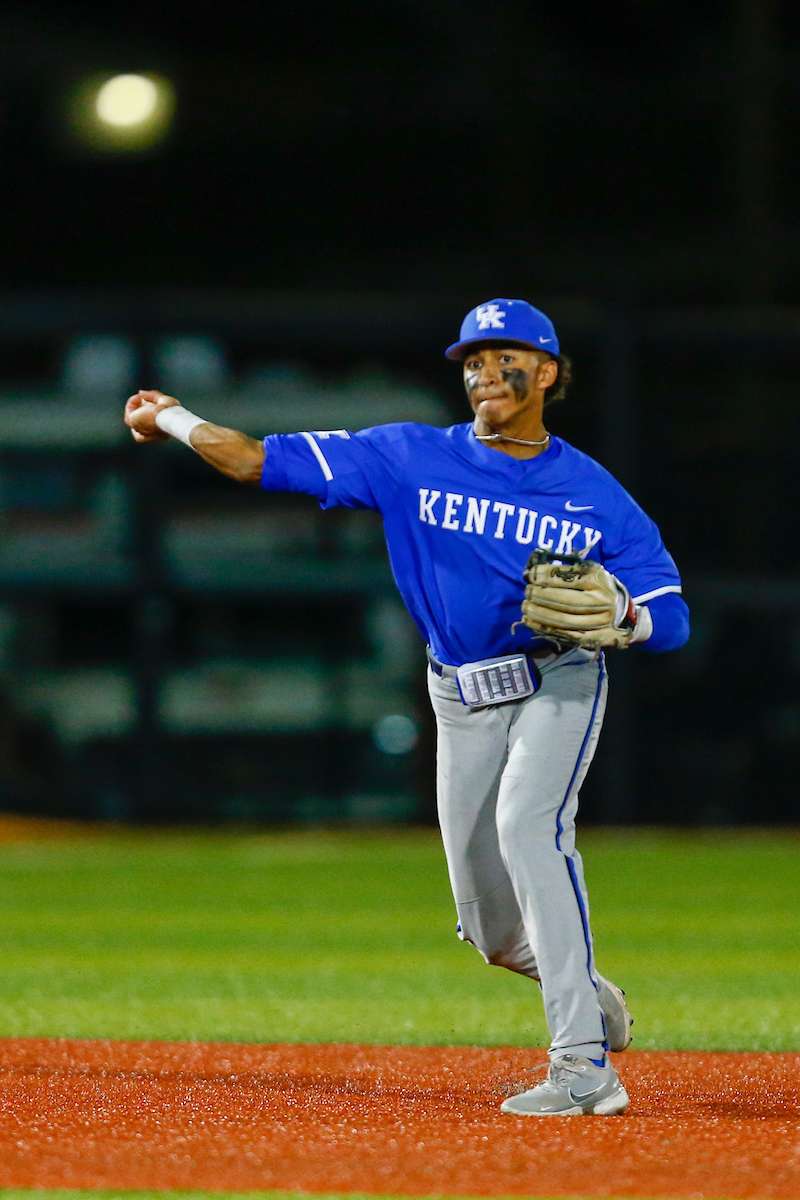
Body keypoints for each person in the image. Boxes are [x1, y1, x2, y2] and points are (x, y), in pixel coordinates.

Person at [124, 297, 689, 1117]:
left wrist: (628, 617)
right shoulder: (405, 454)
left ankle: (583, 1068)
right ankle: (590, 997)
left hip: (555, 680)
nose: (486, 370)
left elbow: (671, 614)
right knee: (492, 931)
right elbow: (253, 461)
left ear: (550, 373)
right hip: (458, 696)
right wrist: (173, 417)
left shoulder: (593, 493)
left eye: (507, 356)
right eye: (473, 358)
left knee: (529, 826)